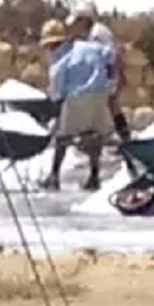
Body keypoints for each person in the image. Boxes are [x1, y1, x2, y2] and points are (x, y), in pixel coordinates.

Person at [40, 17, 115, 192]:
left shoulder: (60, 59)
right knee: (94, 135)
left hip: (78, 97)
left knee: (62, 137)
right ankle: (94, 177)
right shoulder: (89, 46)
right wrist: (109, 82)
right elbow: (109, 55)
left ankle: (53, 176)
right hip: (100, 94)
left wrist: (55, 104)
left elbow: (56, 91)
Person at [66, 4, 132, 143]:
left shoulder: (98, 34)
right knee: (110, 105)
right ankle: (122, 137)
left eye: (77, 22)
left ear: (84, 20)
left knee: (103, 105)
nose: (75, 26)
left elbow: (111, 56)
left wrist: (114, 78)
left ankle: (109, 138)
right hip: (106, 75)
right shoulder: (91, 33)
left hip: (109, 74)